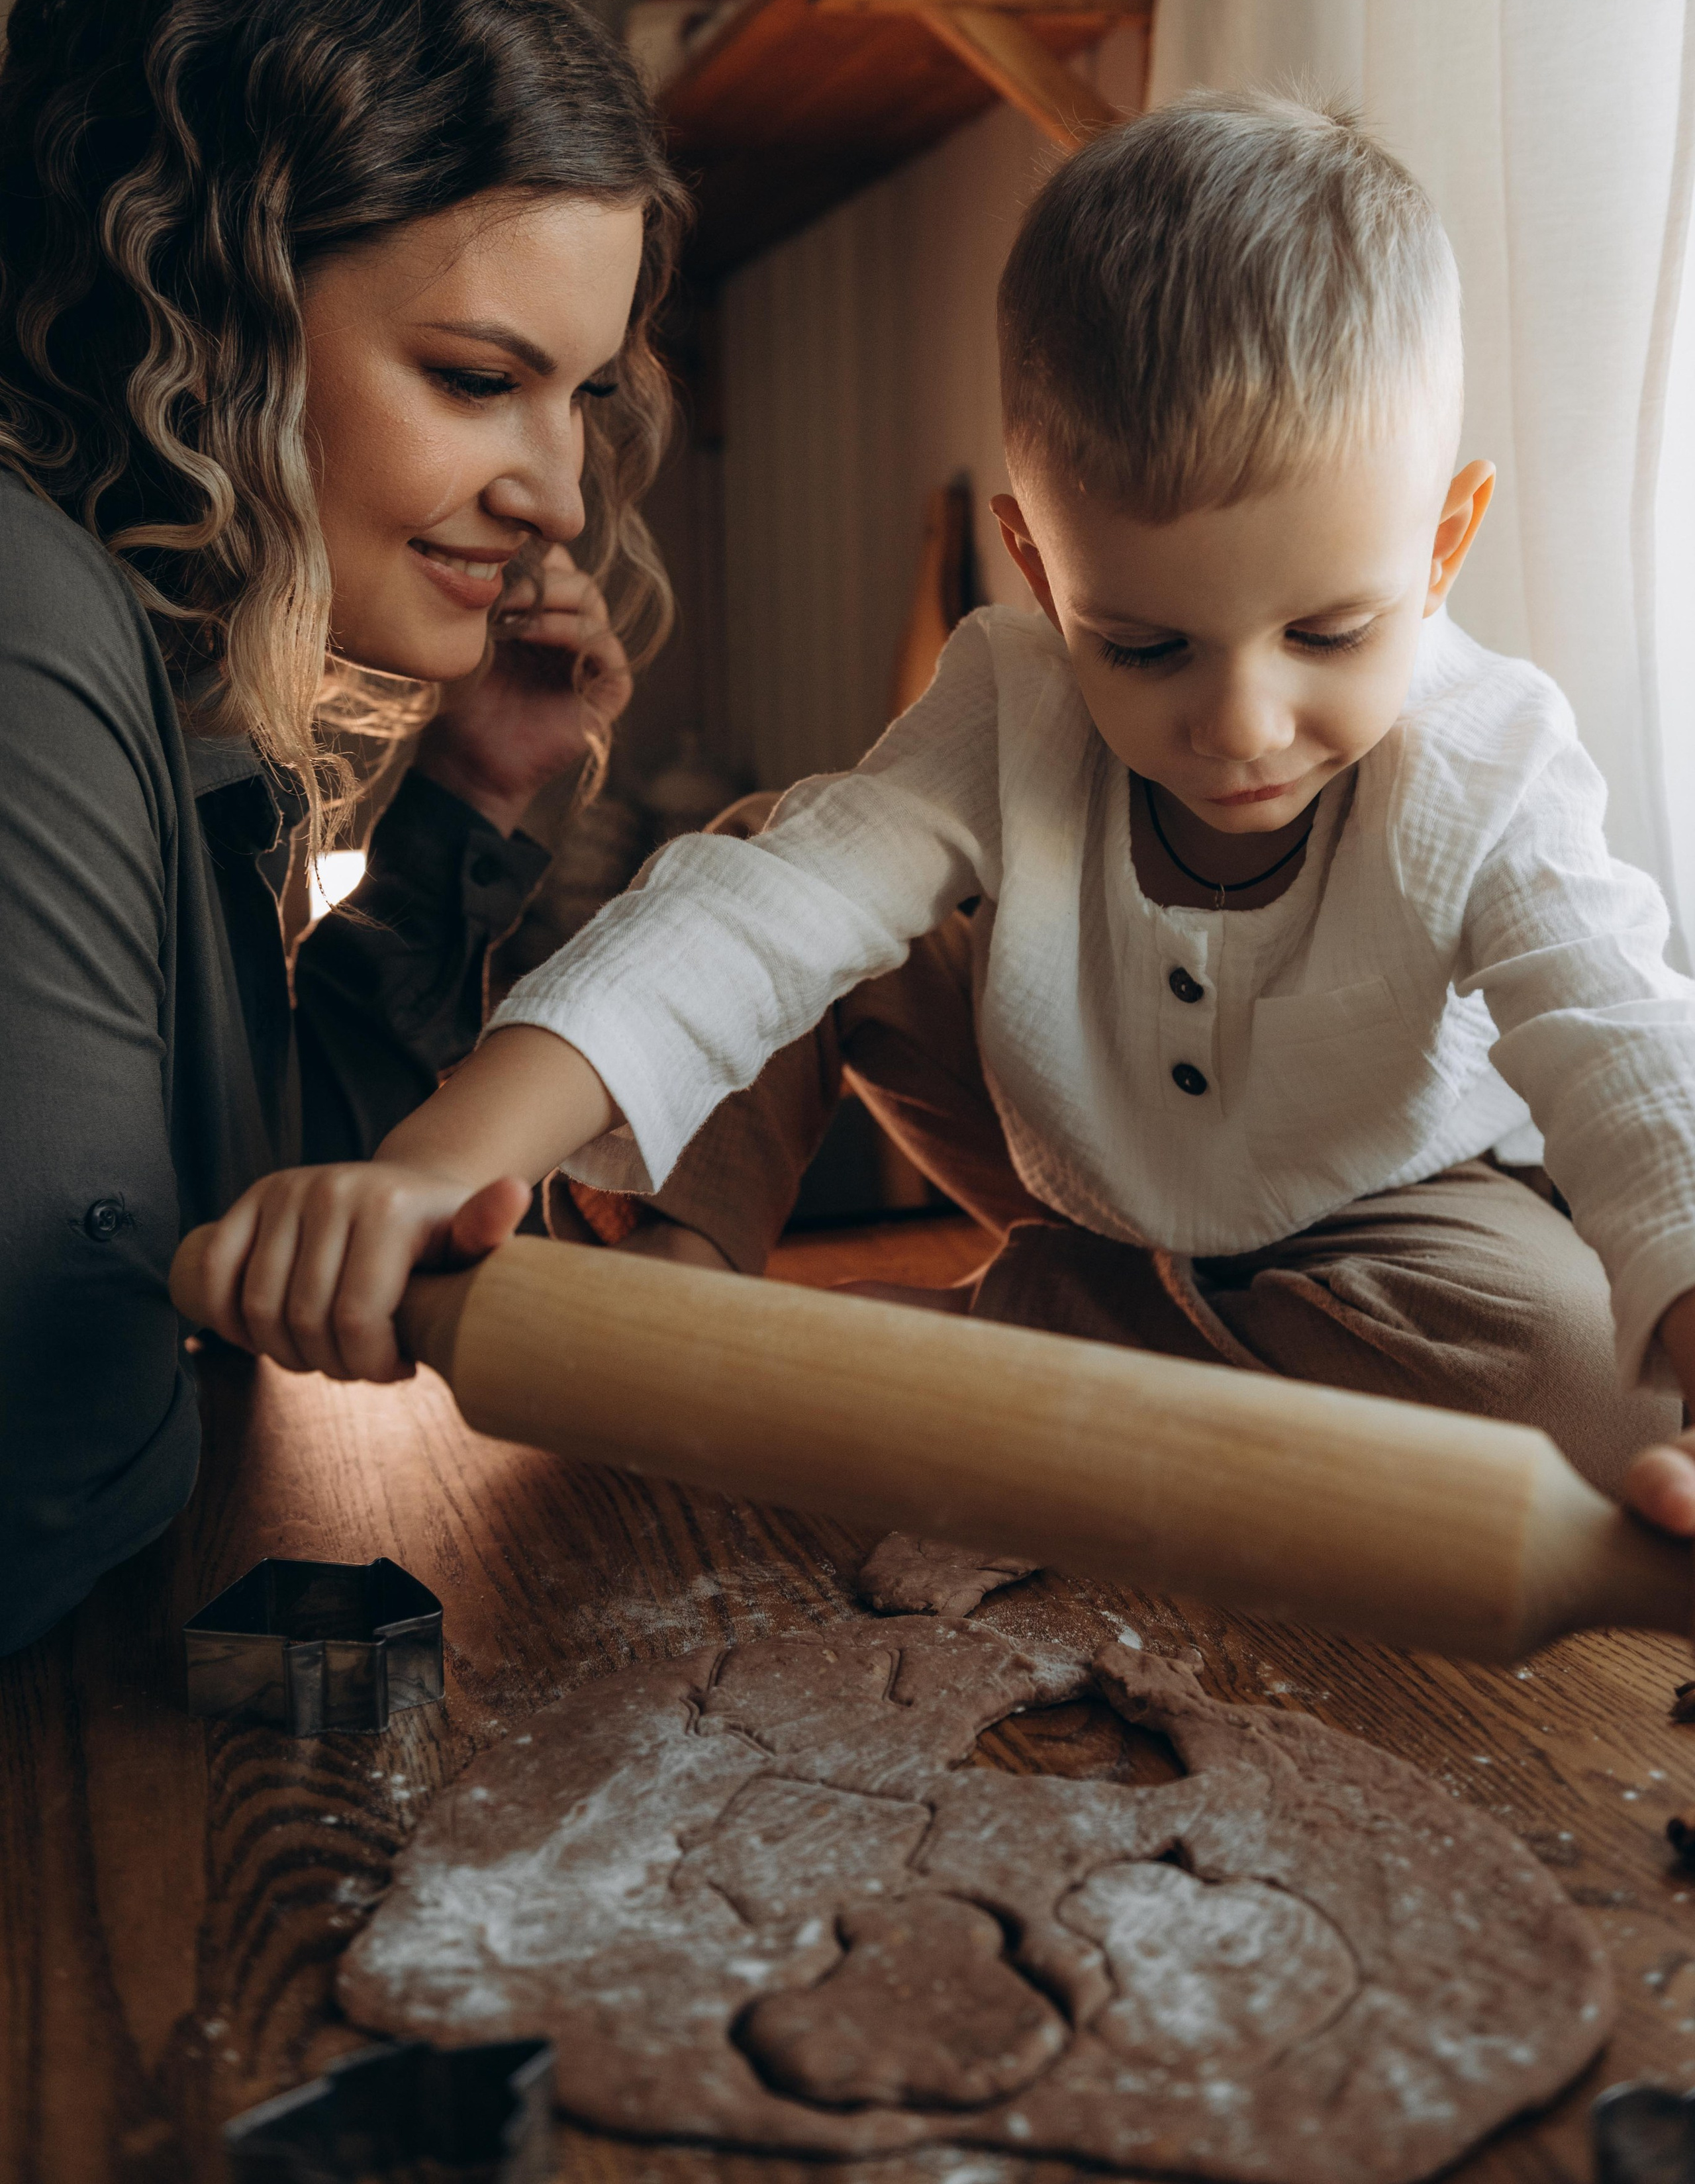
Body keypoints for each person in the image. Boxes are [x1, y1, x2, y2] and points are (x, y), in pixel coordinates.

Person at [191, 93, 1695, 1539]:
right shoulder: (1011, 694)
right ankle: (680, 1270)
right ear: (1039, 572)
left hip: (1374, 1223)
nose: (1239, 725)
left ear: (1438, 550)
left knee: (1583, 1388)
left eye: (1325, 633)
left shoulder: (1493, 761)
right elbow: (759, 926)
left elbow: (1623, 1048)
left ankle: (977, 1350)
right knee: (767, 854)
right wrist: (432, 1162)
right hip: (1067, 1149)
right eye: (1147, 646)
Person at [0, 0, 685, 1655]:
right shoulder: (24, 613)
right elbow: (62, 1429)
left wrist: (468, 796)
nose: (558, 492)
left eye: (584, 390)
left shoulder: (150, 661)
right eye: (478, 376)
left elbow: (252, 1220)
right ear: (207, 312)